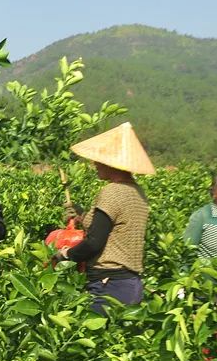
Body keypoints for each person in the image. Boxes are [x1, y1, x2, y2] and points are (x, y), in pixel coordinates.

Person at [54, 122, 154, 314]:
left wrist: (66, 255)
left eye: (99, 160)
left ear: (112, 163)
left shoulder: (112, 192)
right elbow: (114, 228)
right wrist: (82, 216)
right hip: (130, 283)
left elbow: (94, 242)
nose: (95, 164)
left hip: (109, 284)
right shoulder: (137, 192)